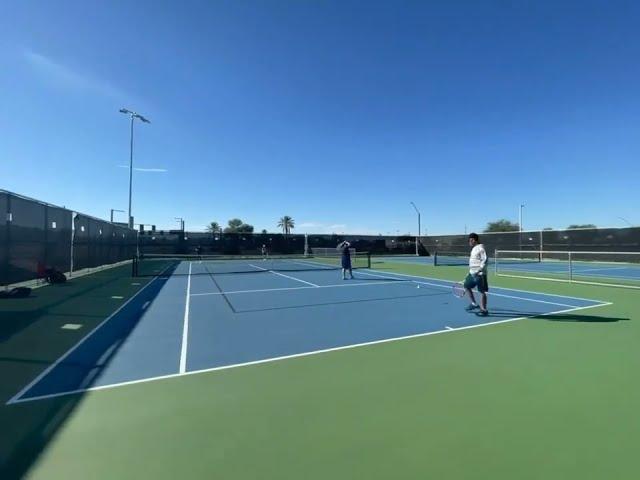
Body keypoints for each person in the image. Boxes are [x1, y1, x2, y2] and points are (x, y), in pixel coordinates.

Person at [464, 233, 489, 316]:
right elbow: (474, 262)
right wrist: (470, 272)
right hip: (472, 273)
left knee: (482, 291)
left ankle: (483, 309)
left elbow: (485, 260)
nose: (469, 242)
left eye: (471, 240)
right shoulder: (474, 249)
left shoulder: (481, 248)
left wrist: (479, 270)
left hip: (480, 274)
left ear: (475, 240)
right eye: (469, 240)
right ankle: (474, 303)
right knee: (466, 286)